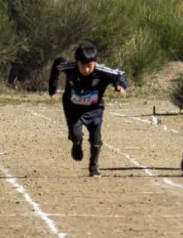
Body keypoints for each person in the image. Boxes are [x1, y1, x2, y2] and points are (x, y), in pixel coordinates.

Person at [48, 43, 127, 177]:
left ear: (95, 62)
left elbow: (120, 74)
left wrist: (119, 85)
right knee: (75, 134)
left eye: (90, 65)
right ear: (77, 62)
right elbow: (57, 64)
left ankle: (94, 166)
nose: (87, 69)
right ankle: (76, 142)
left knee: (96, 139)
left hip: (94, 109)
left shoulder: (102, 71)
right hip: (73, 108)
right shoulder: (70, 68)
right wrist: (53, 87)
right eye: (83, 65)